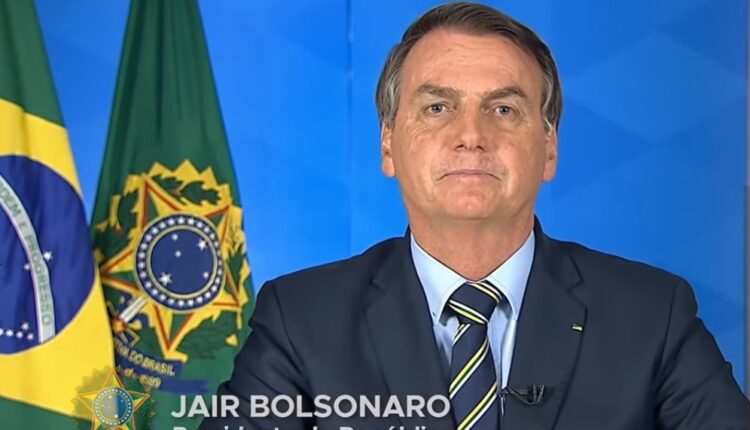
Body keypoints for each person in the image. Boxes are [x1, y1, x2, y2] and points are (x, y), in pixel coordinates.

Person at [200, 2, 750, 429]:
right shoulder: (300, 320)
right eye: (437, 107)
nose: (470, 136)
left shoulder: (652, 316)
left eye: (504, 109)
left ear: (549, 148)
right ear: (389, 145)